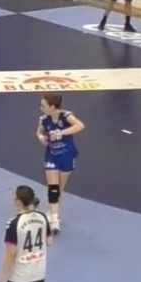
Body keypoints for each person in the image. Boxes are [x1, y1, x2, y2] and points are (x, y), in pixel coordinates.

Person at [38, 93, 84, 235]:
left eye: (43, 106)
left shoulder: (66, 116)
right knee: (53, 188)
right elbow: (39, 132)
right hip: (51, 155)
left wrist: (61, 133)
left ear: (52, 107)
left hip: (66, 155)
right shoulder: (43, 119)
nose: (41, 108)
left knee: (59, 188)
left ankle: (53, 212)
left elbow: (80, 126)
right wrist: (41, 138)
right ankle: (54, 219)